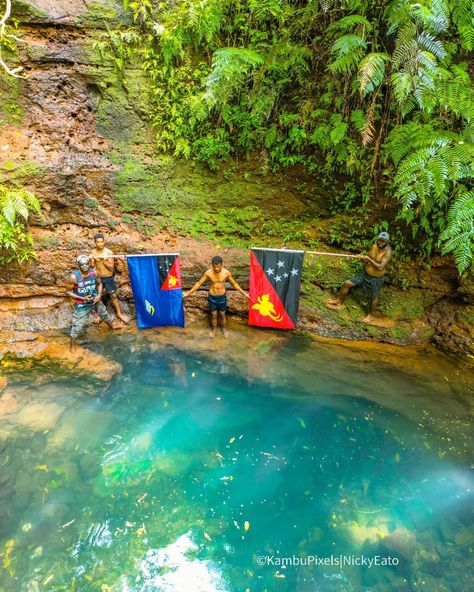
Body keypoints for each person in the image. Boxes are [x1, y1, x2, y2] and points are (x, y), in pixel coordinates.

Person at [326, 231, 393, 322]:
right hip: (364, 273)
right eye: (379, 241)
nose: (380, 243)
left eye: (383, 241)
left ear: (387, 242)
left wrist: (368, 259)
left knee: (373, 297)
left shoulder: (388, 252)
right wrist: (362, 259)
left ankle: (371, 315)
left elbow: (380, 267)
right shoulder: (374, 246)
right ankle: (339, 301)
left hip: (376, 278)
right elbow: (368, 260)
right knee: (347, 283)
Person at [184, 256, 249, 337]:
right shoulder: (208, 273)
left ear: (222, 265)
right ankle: (214, 329)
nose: (217, 269)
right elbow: (199, 284)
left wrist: (245, 294)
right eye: (215, 267)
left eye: (218, 266)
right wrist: (188, 293)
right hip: (212, 297)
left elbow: (235, 284)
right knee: (213, 315)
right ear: (212, 265)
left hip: (222, 297)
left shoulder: (226, 273)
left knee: (222, 314)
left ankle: (224, 329)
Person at [66, 255, 119, 353]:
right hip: (82, 303)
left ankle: (112, 326)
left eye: (86, 263)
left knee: (103, 312)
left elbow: (99, 284)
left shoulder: (94, 272)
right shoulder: (74, 277)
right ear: (78, 265)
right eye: (82, 264)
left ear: (89, 263)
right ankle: (72, 346)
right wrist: (82, 298)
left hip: (95, 298)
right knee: (77, 325)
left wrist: (99, 295)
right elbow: (68, 292)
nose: (85, 266)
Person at [90, 232, 130, 323]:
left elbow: (111, 268)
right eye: (97, 242)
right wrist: (92, 259)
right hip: (98, 278)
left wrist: (103, 260)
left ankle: (119, 314)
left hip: (108, 277)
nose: (99, 244)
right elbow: (92, 267)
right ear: (95, 243)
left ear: (104, 242)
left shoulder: (109, 252)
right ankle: (99, 315)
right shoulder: (93, 252)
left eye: (101, 242)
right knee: (97, 296)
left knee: (113, 295)